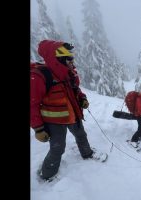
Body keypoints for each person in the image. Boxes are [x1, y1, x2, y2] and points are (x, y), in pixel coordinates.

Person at [31, 40, 100, 181]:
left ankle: (87, 154)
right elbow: (32, 104)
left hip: (73, 114)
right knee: (58, 147)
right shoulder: (40, 76)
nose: (72, 61)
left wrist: (82, 98)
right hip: (54, 121)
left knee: (81, 135)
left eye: (72, 57)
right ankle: (47, 174)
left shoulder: (70, 73)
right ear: (58, 59)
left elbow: (76, 90)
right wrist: (38, 128)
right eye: (69, 58)